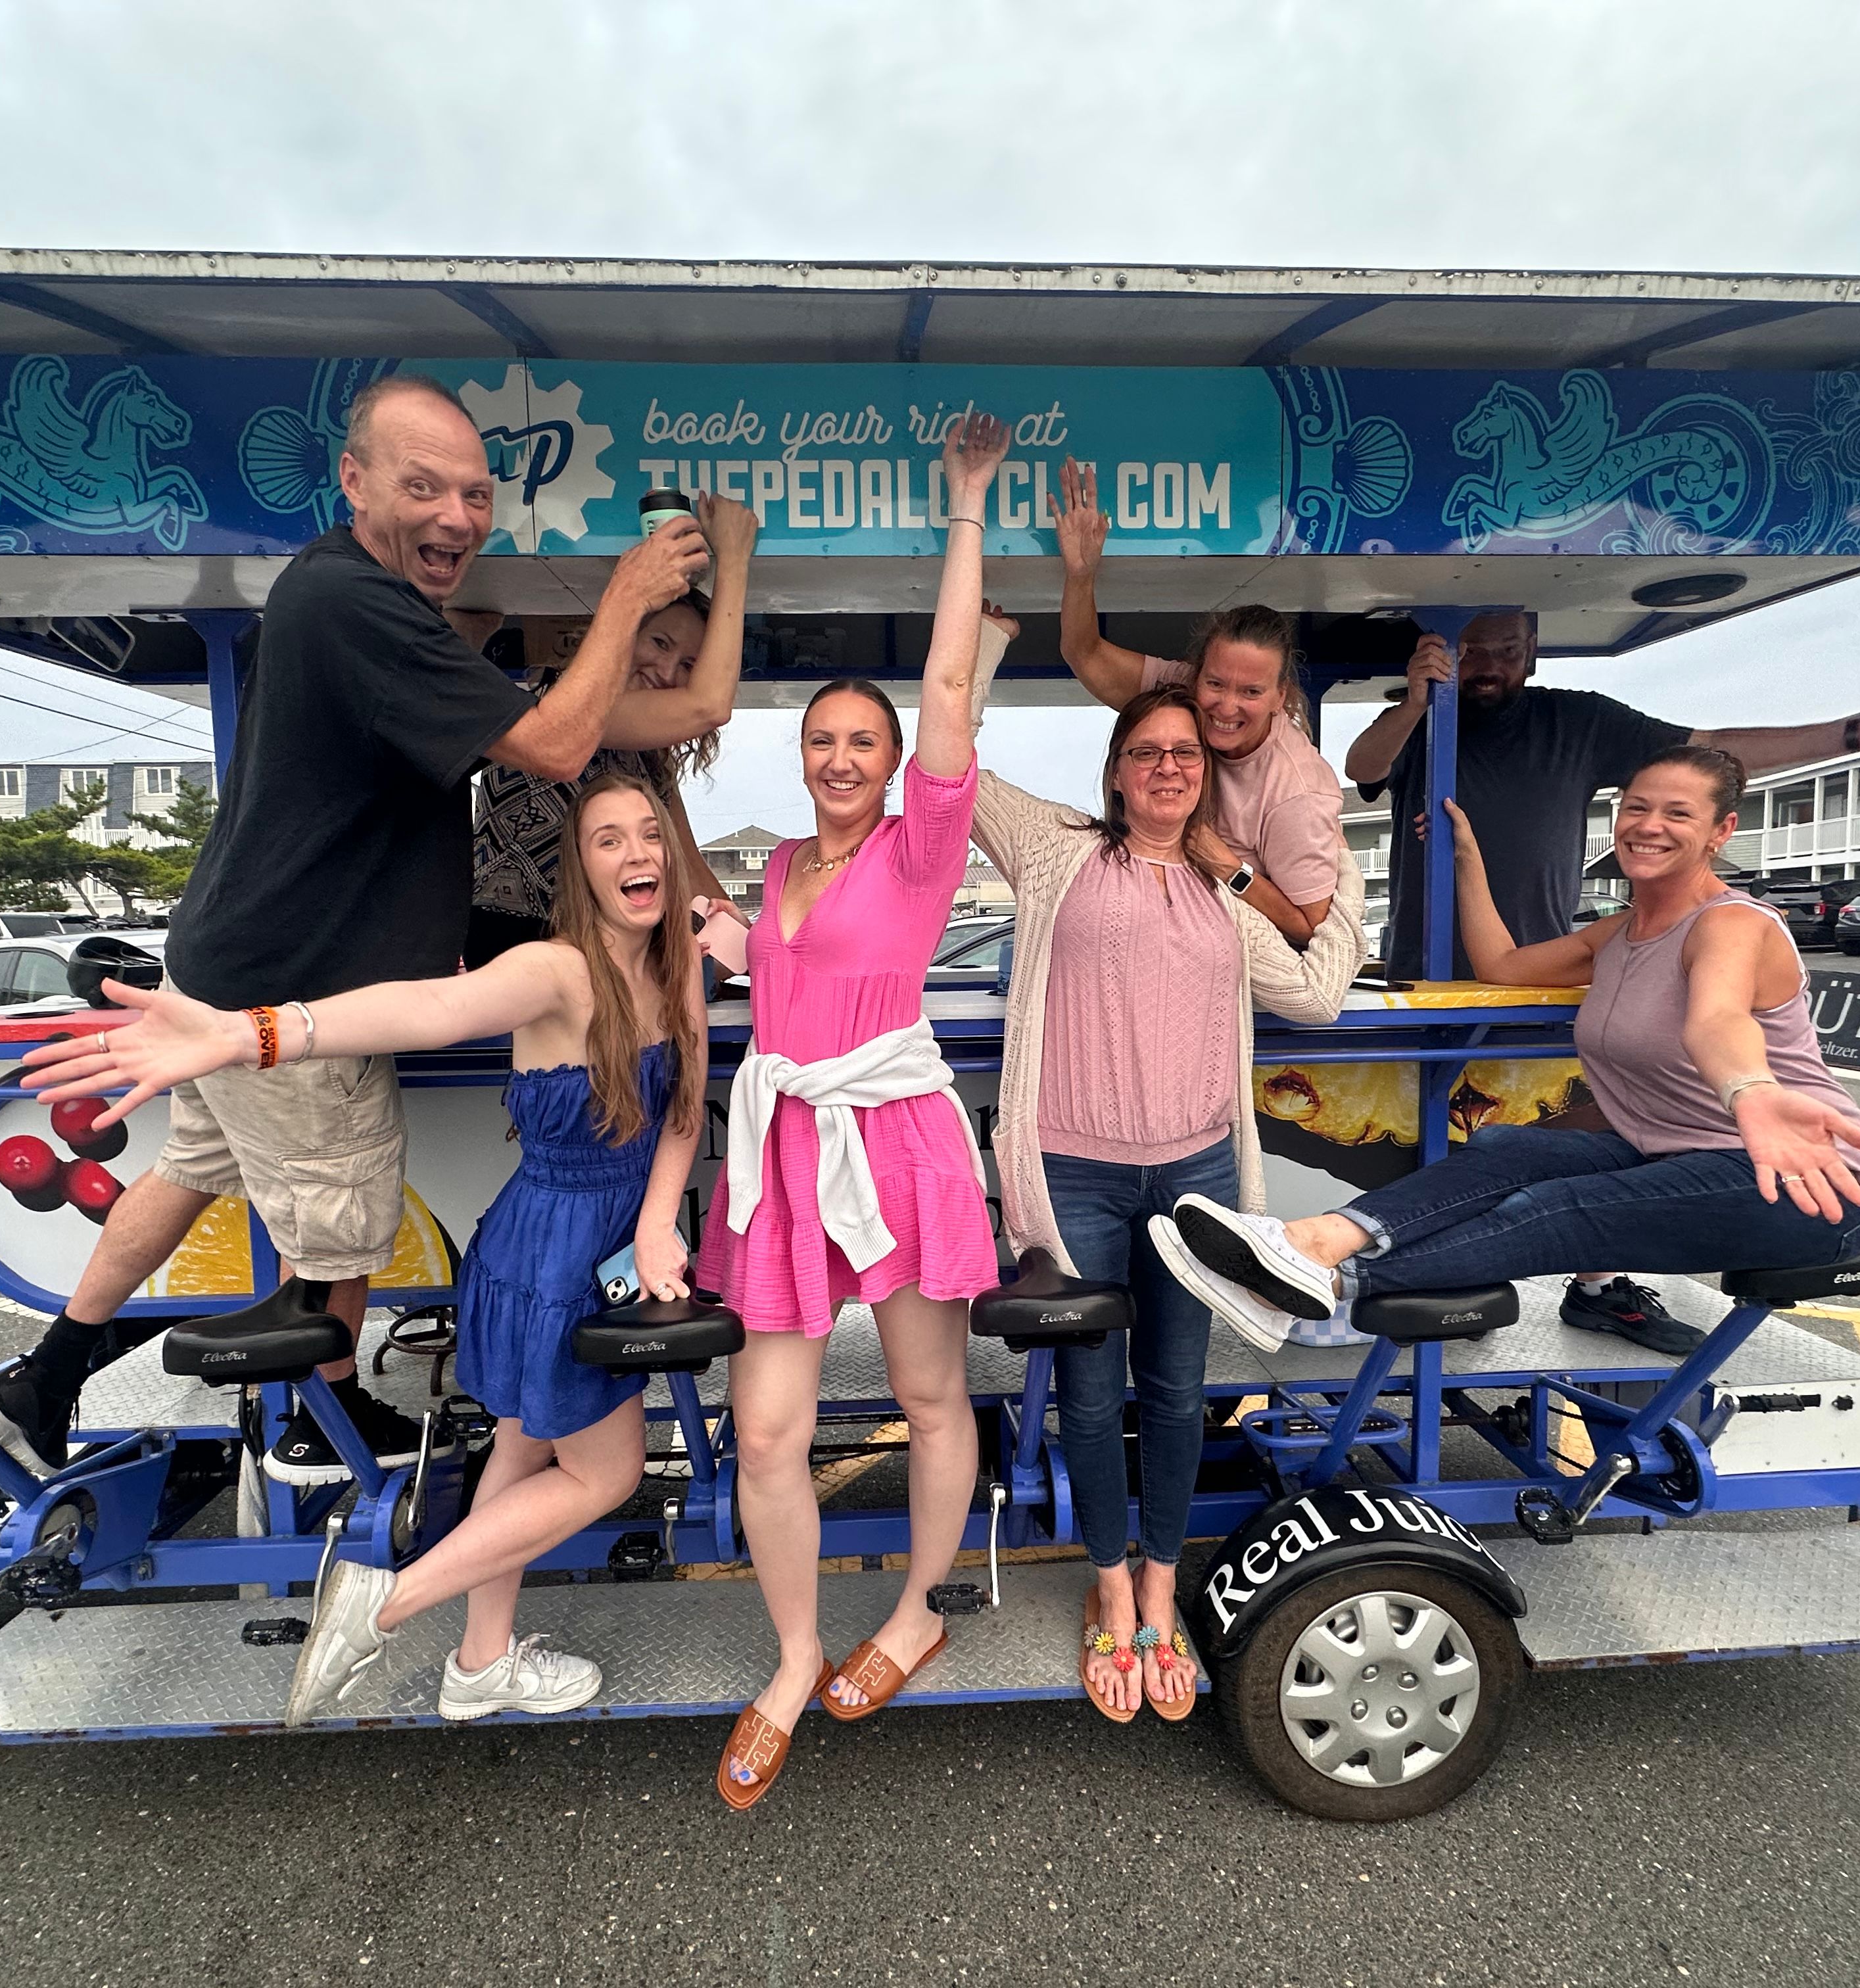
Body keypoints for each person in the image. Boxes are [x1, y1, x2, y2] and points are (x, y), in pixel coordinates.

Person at [0, 373, 709, 1486]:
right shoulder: (354, 602)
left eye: (475, 493)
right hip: (297, 985)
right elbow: (558, 745)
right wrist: (630, 592)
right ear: (353, 480)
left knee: (190, 1168)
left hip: (226, 958)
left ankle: (45, 1376)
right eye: (424, 487)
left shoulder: (341, 596)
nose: (457, 515)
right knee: (342, 1220)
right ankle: (320, 1420)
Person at [18, 774, 706, 1726]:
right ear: (578, 871)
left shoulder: (676, 964)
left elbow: (683, 1110)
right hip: (549, 1257)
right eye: (608, 840)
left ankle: (481, 1663)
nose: (637, 854)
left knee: (522, 1449)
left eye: (649, 835)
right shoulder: (556, 970)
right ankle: (383, 1605)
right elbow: (428, 1011)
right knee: (607, 1474)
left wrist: (659, 1221)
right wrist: (253, 1033)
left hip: (596, 1248)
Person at [1151, 746, 1860, 1358]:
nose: (1648, 826)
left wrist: (1751, 1092)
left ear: (1721, 830)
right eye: (1636, 808)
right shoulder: (1619, 932)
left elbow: (1717, 1020)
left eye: (1677, 814)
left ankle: (1325, 1285)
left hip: (1803, 1184)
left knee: (1559, 1208)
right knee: (1510, 1149)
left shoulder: (1731, 925)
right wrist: (1467, 860)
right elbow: (1503, 965)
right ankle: (1311, 1241)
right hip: (1672, 1156)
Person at [966, 611, 1362, 1719]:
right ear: (1116, 768)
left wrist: (1335, 874)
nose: (1169, 766)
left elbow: (1319, 990)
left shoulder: (1223, 893)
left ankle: (1158, 1581)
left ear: (1205, 775)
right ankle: (1108, 1586)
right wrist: (984, 645)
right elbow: (945, 765)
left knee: (1180, 1393)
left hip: (1195, 1181)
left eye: (1186, 752)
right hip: (1076, 1175)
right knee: (1091, 1397)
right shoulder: (1057, 848)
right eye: (1147, 750)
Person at [697, 413, 1010, 1810]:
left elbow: (948, 684)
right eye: (821, 738)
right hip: (783, 1148)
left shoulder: (921, 844)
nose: (839, 756)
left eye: (861, 740)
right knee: (769, 1428)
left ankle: (919, 1612)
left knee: (930, 1394)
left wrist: (965, 507)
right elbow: (765, 973)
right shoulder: (776, 872)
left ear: (894, 761)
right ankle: (792, 1656)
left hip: (894, 1138)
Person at [1345, 609, 1860, 981]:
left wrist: (1855, 733)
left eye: (1507, 650)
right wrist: (1417, 703)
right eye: (1470, 651)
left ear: (1532, 651)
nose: (1489, 665)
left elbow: (1711, 747)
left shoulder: (1580, 720)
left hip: (1540, 966)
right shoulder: (1421, 721)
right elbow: (1363, 767)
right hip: (1421, 969)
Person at [1051, 459, 1345, 945]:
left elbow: (1312, 926)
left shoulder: (1296, 790)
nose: (1226, 706)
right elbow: (1084, 654)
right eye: (1216, 684)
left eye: (1251, 692)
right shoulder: (1181, 689)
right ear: (1195, 674)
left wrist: (1227, 866)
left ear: (1280, 697)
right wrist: (1081, 574)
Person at [461, 492, 757, 967]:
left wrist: (757, 946)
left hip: (596, 955)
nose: (667, 671)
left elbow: (691, 872)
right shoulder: (569, 708)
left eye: (690, 665)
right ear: (623, 635)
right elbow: (708, 705)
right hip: (521, 948)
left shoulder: (648, 759)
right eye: (659, 643)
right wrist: (736, 559)